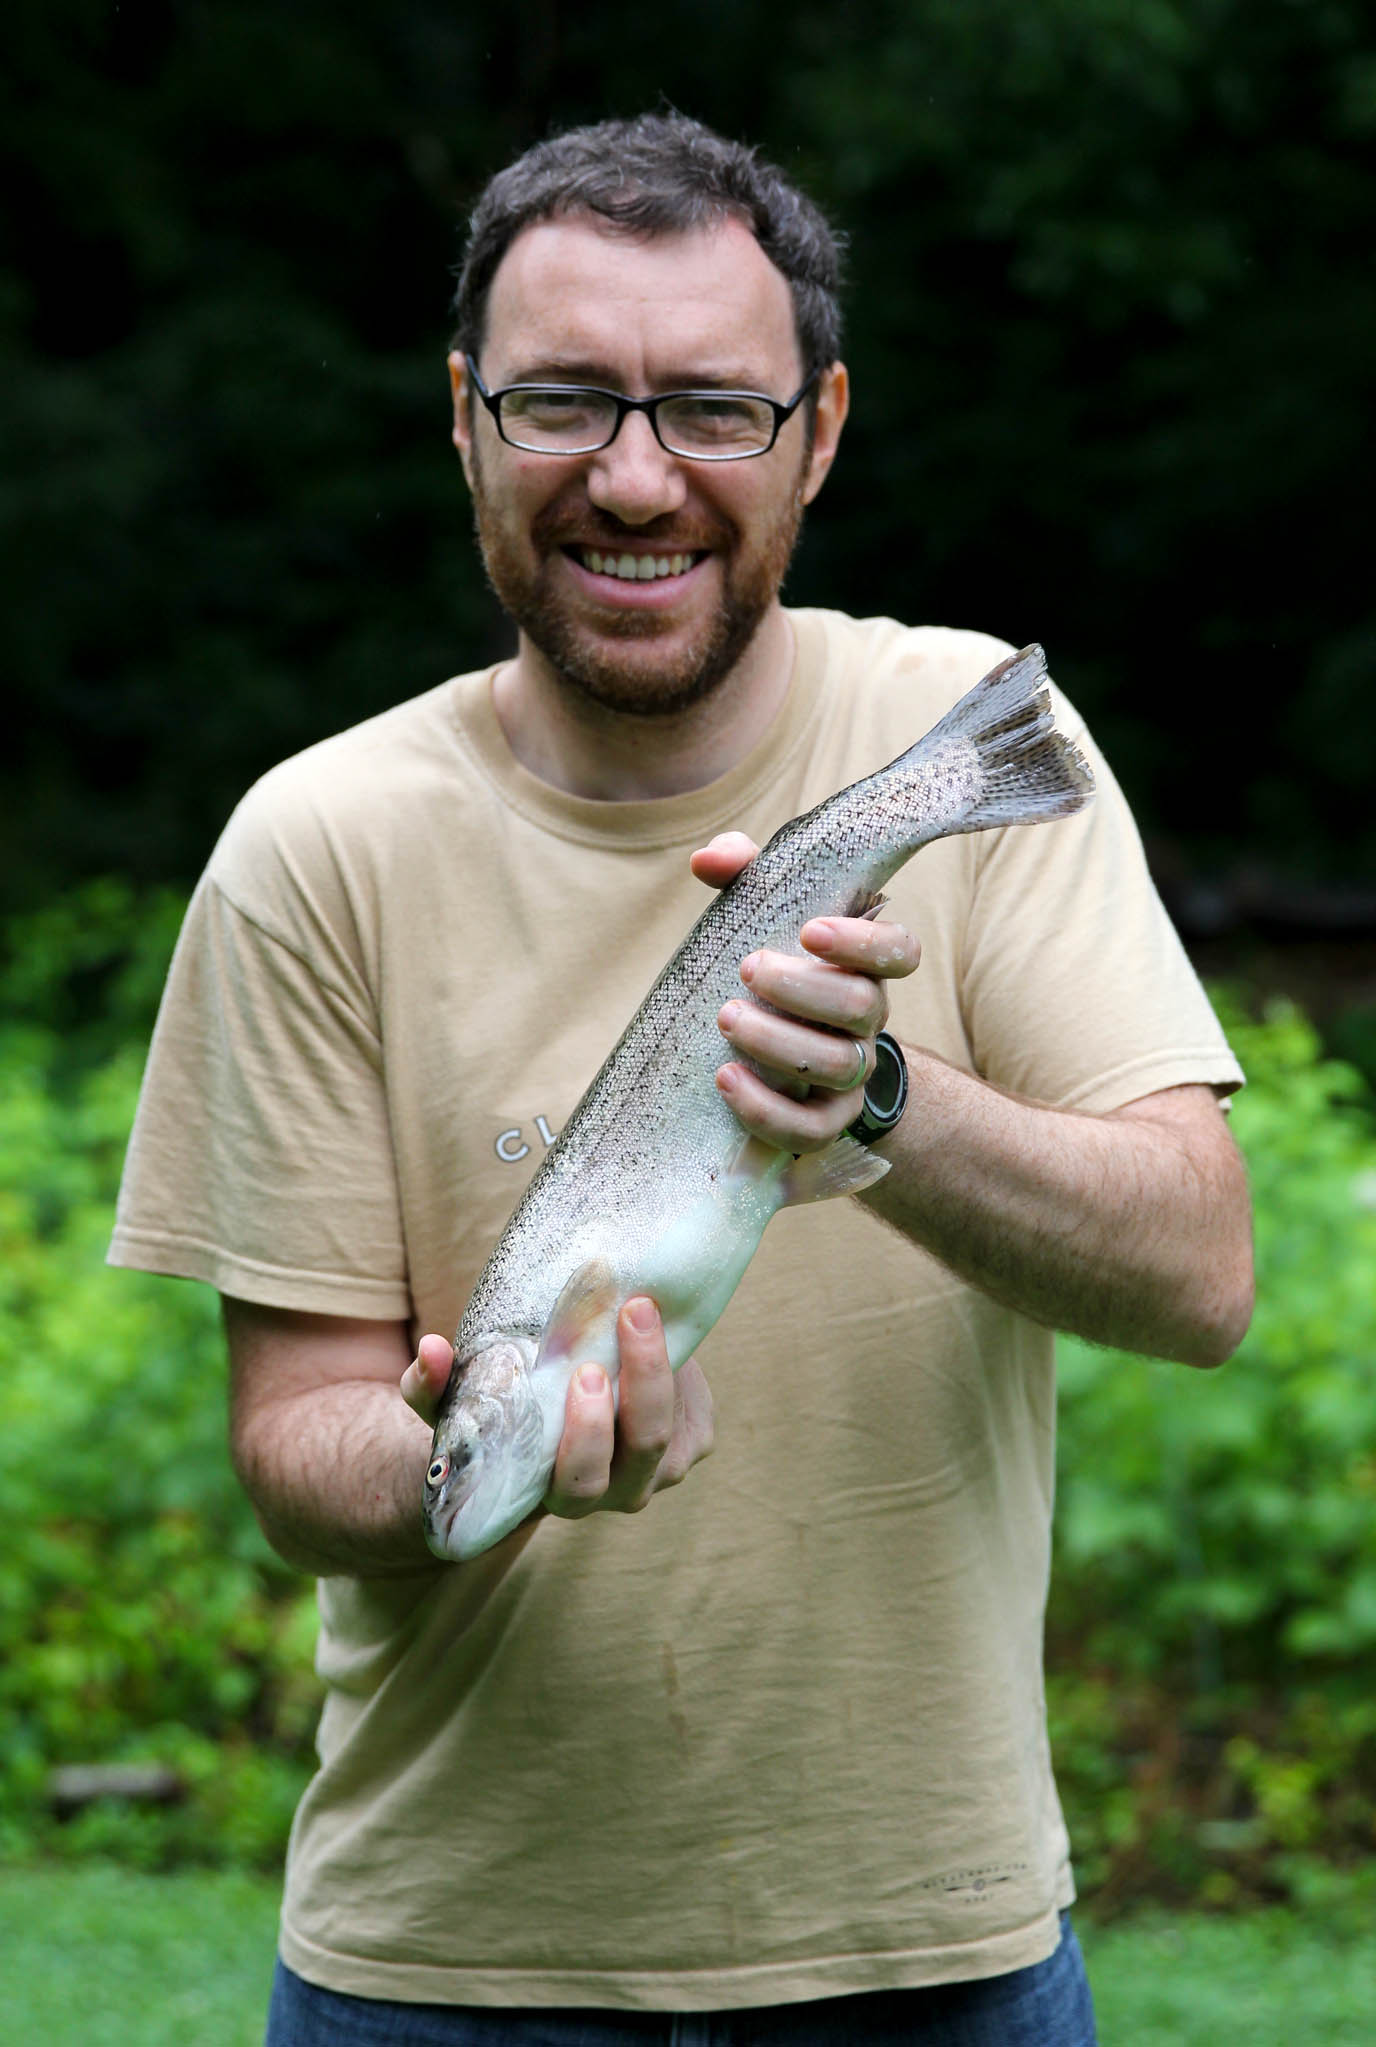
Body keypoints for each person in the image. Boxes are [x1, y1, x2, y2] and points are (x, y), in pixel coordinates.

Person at [110, 112, 1253, 2046]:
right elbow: (303, 1446)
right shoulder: (313, 843)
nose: (634, 478)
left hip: (936, 1959)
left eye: (712, 411)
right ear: (464, 418)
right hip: (441, 1974)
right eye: (562, 402)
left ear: (815, 429)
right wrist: (462, 1465)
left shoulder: (967, 742)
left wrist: (885, 1108)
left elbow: (1201, 1276)